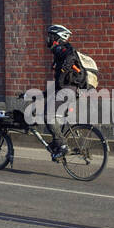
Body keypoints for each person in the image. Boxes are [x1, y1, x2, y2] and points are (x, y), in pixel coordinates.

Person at [45, 24, 78, 160]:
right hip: (67, 89)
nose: (47, 39)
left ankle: (62, 145)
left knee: (48, 115)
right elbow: (58, 84)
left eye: (50, 36)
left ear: (56, 37)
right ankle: (58, 143)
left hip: (68, 90)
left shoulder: (61, 48)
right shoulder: (58, 52)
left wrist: (64, 69)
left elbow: (71, 56)